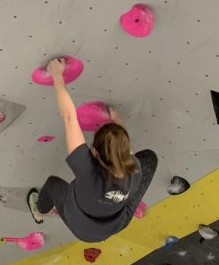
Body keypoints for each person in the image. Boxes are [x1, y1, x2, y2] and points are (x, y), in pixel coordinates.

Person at [27, 58, 157, 243]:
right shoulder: (134, 167)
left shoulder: (87, 172)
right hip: (115, 222)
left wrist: (56, 75)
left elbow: (69, 118)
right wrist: (119, 125)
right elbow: (124, 150)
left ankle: (39, 212)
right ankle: (119, 203)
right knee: (150, 158)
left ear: (94, 152)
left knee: (52, 184)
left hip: (84, 228)